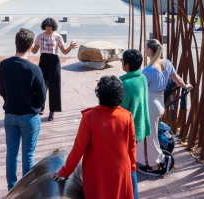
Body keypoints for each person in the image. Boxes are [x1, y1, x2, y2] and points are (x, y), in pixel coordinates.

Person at [51, 76, 137, 199]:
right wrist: (132, 166)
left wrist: (65, 171)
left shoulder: (89, 117)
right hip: (120, 171)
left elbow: (78, 148)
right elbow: (132, 146)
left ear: (99, 95)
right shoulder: (127, 116)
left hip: (97, 172)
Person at [0, 29, 47, 191]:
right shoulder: (33, 69)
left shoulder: (3, 65)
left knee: (11, 154)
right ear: (31, 46)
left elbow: (2, 91)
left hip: (10, 115)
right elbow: (42, 96)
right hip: (29, 116)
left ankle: (12, 188)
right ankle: (27, 190)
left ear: (16, 43)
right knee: (28, 155)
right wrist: (37, 107)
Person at [139, 39, 192, 176]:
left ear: (150, 50)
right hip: (160, 103)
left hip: (150, 104)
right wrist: (186, 86)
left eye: (145, 47)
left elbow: (140, 89)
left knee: (150, 136)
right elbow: (178, 80)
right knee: (149, 135)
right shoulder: (167, 63)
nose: (144, 49)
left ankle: (157, 164)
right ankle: (148, 160)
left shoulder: (148, 70)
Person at [31, 18, 78, 121]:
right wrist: (28, 45)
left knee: (54, 86)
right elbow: (34, 51)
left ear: (53, 27)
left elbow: (64, 52)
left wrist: (70, 47)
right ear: (44, 26)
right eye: (46, 26)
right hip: (43, 60)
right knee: (41, 85)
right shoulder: (40, 36)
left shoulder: (58, 37)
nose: (48, 28)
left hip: (54, 62)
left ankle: (52, 111)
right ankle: (40, 107)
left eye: (50, 26)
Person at [120, 49, 151, 199]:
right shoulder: (142, 78)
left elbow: (119, 110)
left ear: (126, 65)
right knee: (130, 164)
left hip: (127, 131)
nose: (121, 63)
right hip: (138, 127)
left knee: (130, 167)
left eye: (122, 61)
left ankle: (133, 195)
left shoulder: (126, 84)